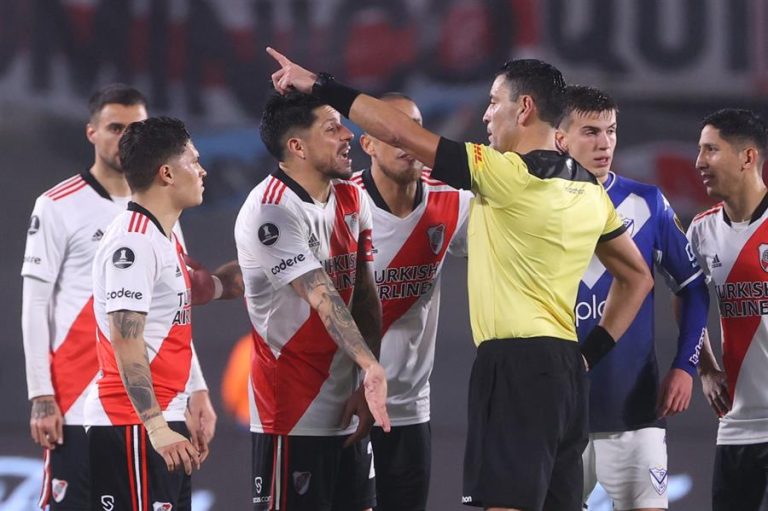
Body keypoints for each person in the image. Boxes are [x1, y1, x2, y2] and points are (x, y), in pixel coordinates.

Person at [266, 47, 654, 511]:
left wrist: (320, 85)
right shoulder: (589, 188)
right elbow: (637, 277)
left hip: (515, 365)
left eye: (494, 102)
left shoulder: (505, 174)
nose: (487, 115)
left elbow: (399, 131)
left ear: (524, 108)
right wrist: (591, 352)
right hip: (567, 370)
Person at [20, 84, 215, 510]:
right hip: (80, 399)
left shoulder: (163, 211)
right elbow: (35, 304)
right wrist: (41, 394)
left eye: (136, 128)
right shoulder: (57, 205)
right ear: (92, 132)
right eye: (115, 127)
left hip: (153, 402)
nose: (125, 136)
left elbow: (172, 309)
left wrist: (196, 389)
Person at [555, 85, 709, 511]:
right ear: (561, 138)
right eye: (591, 132)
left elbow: (694, 287)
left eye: (611, 131)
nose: (604, 143)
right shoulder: (536, 205)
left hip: (635, 414)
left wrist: (685, 366)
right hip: (559, 414)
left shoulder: (647, 203)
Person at [235, 90, 390, 511]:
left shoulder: (352, 196)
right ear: (297, 146)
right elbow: (322, 294)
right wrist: (371, 364)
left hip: (347, 412)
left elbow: (364, 294)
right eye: (332, 128)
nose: (348, 135)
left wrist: (363, 380)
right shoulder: (271, 211)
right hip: (291, 415)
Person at [351, 92, 471, 511]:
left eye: (415, 130)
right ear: (367, 144)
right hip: (346, 404)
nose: (407, 141)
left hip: (410, 407)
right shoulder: (341, 205)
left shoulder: (454, 202)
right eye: (391, 132)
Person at [86, 116, 208, 509]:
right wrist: (156, 426)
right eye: (194, 160)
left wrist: (192, 397)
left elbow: (169, 318)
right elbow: (127, 340)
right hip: (133, 425)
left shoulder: (162, 235)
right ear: (167, 173)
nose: (202, 170)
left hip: (160, 420)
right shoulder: (135, 242)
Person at [686, 108, 768, 511]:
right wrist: (704, 368)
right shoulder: (701, 231)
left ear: (747, 157)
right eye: (700, 150)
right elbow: (688, 299)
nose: (699, 162)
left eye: (711, 150)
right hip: (737, 424)